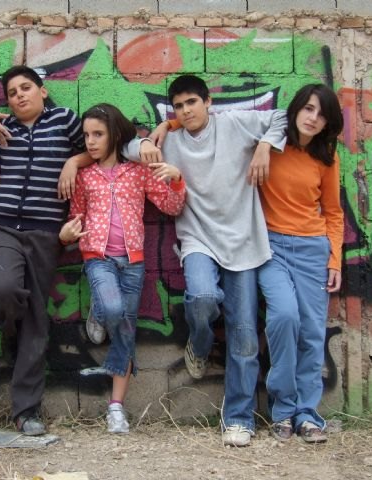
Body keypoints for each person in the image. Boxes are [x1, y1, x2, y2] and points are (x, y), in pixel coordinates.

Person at [0, 66, 158, 435]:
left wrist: (72, 161)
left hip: (46, 232)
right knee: (3, 289)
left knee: (37, 320)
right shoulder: (2, 125)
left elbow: (102, 148)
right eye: (12, 92)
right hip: (3, 227)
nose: (19, 95)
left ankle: (26, 412)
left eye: (26, 88)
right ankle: (9, 328)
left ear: (43, 91)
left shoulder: (64, 120)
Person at [151, 75, 287, 447]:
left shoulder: (235, 124)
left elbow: (283, 117)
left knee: (244, 335)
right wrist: (154, 134)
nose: (185, 111)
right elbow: (127, 145)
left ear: (208, 101)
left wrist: (264, 146)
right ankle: (199, 342)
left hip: (242, 242)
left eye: (192, 102)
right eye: (178, 106)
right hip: (197, 237)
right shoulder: (170, 140)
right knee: (202, 297)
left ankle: (239, 419)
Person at [59, 103, 186, 434]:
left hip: (133, 264)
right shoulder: (85, 175)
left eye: (98, 134)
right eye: (87, 135)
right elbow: (76, 215)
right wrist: (69, 233)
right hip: (97, 258)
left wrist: (177, 179)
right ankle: (101, 309)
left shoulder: (139, 172)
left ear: (115, 135)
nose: (90, 141)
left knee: (126, 331)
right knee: (114, 309)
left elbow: (172, 205)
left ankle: (116, 408)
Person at [257, 84, 344, 444]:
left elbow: (334, 212)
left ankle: (306, 413)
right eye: (308, 108)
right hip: (271, 248)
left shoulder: (327, 156)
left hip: (313, 250)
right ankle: (282, 409)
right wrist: (167, 125)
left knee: (311, 332)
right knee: (283, 318)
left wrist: (335, 259)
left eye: (321, 114)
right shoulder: (271, 144)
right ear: (295, 110)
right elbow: (216, 119)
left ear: (328, 123)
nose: (313, 118)